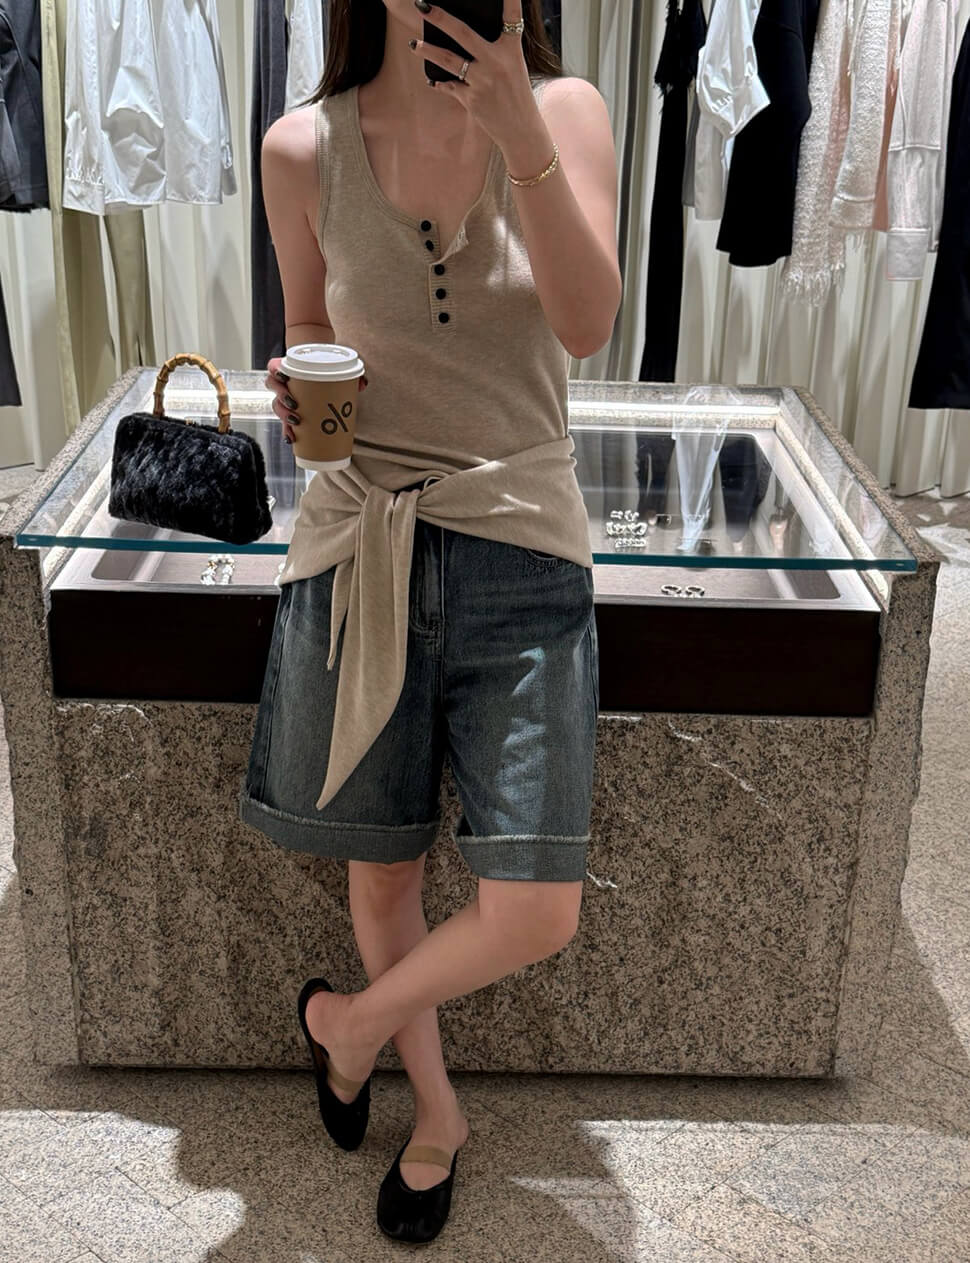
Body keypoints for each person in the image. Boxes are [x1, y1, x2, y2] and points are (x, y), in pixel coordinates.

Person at [242, 0, 621, 1242]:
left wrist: (521, 136)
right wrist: (299, 382)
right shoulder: (301, 146)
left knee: (536, 905)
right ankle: (438, 1114)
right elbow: (307, 323)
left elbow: (587, 325)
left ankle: (345, 1028)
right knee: (385, 862)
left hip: (521, 539)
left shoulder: (566, 113)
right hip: (361, 540)